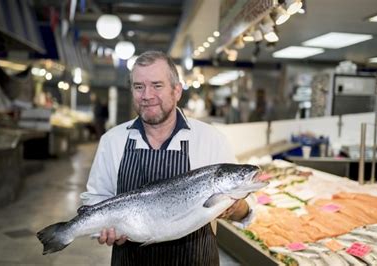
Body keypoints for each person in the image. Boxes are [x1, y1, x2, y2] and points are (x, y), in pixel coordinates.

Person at [80, 51, 252, 266]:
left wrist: (237, 208)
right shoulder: (112, 141)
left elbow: (246, 212)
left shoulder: (211, 139)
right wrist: (105, 229)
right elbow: (96, 199)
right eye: (139, 86)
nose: (147, 95)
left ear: (177, 91)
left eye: (157, 85)